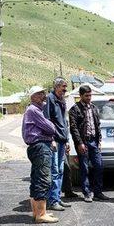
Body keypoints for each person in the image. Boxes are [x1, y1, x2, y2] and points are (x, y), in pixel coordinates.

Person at [22, 86, 59, 224]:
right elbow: (51, 128)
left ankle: (37, 213)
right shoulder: (34, 110)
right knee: (43, 179)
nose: (44, 96)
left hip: (37, 147)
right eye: (41, 94)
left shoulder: (35, 110)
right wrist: (51, 127)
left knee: (37, 179)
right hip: (40, 147)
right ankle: (41, 214)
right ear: (34, 97)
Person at [69, 85, 109, 202]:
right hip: (83, 142)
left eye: (90, 95)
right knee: (84, 169)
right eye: (86, 96)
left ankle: (98, 192)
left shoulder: (94, 108)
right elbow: (74, 128)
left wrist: (99, 141)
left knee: (99, 166)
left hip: (94, 142)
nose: (89, 97)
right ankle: (87, 193)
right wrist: (79, 143)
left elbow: (97, 126)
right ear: (80, 96)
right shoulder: (74, 109)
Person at [43, 77, 70, 211]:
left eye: (66, 87)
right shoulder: (50, 99)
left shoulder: (62, 100)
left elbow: (64, 122)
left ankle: (57, 198)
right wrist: (51, 139)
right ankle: (53, 200)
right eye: (63, 86)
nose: (65, 89)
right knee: (55, 171)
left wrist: (67, 140)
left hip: (62, 141)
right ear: (56, 86)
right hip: (54, 141)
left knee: (60, 171)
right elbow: (47, 120)